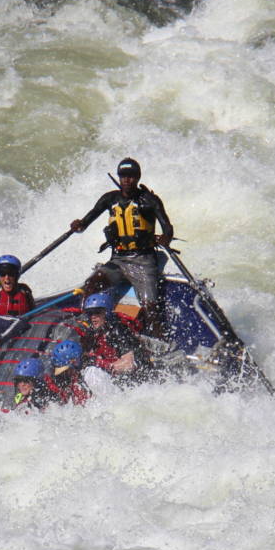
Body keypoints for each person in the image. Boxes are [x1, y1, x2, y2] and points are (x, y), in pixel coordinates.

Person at [69, 157, 173, 337]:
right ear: (119, 177)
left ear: (138, 177)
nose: (127, 180)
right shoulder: (110, 199)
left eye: (131, 176)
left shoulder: (149, 200)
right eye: (123, 176)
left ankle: (157, 340)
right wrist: (78, 225)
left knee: (150, 305)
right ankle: (86, 326)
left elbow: (168, 227)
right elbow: (87, 221)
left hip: (143, 261)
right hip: (117, 260)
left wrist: (166, 237)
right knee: (92, 283)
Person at [79, 291, 153, 385]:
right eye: (90, 313)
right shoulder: (93, 332)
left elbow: (129, 364)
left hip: (140, 379)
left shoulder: (119, 331)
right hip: (118, 379)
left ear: (107, 312)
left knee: (92, 372)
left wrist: (103, 365)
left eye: (97, 312)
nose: (93, 317)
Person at [43, 339, 90, 406]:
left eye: (64, 371)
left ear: (74, 362)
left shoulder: (91, 375)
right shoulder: (71, 383)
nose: (62, 375)